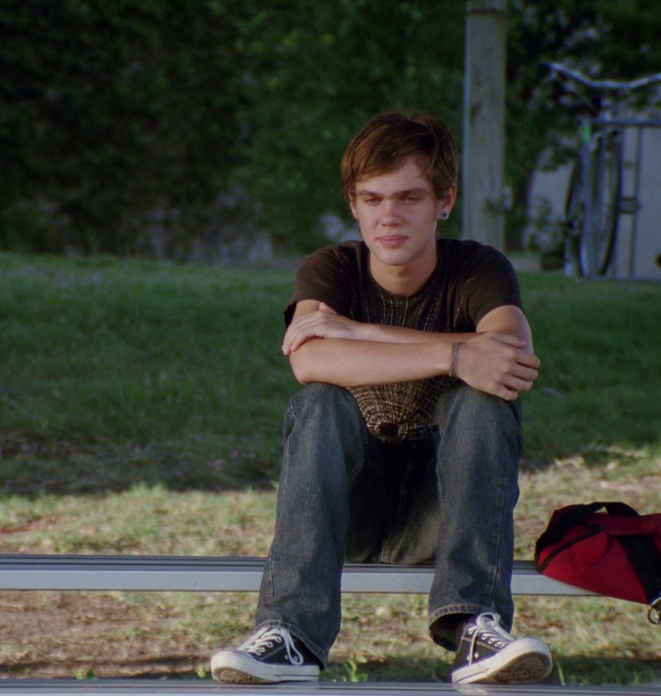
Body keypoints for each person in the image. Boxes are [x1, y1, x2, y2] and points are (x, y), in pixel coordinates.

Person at [210, 112, 551, 685]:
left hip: (443, 513)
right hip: (351, 511)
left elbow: (511, 360)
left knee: (483, 404)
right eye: (372, 199)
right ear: (354, 204)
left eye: (409, 198)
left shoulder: (478, 270)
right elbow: (310, 361)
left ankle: (474, 625)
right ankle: (290, 634)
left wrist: (359, 332)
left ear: (445, 200)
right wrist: (458, 355)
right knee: (319, 403)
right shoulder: (332, 269)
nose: (388, 217)